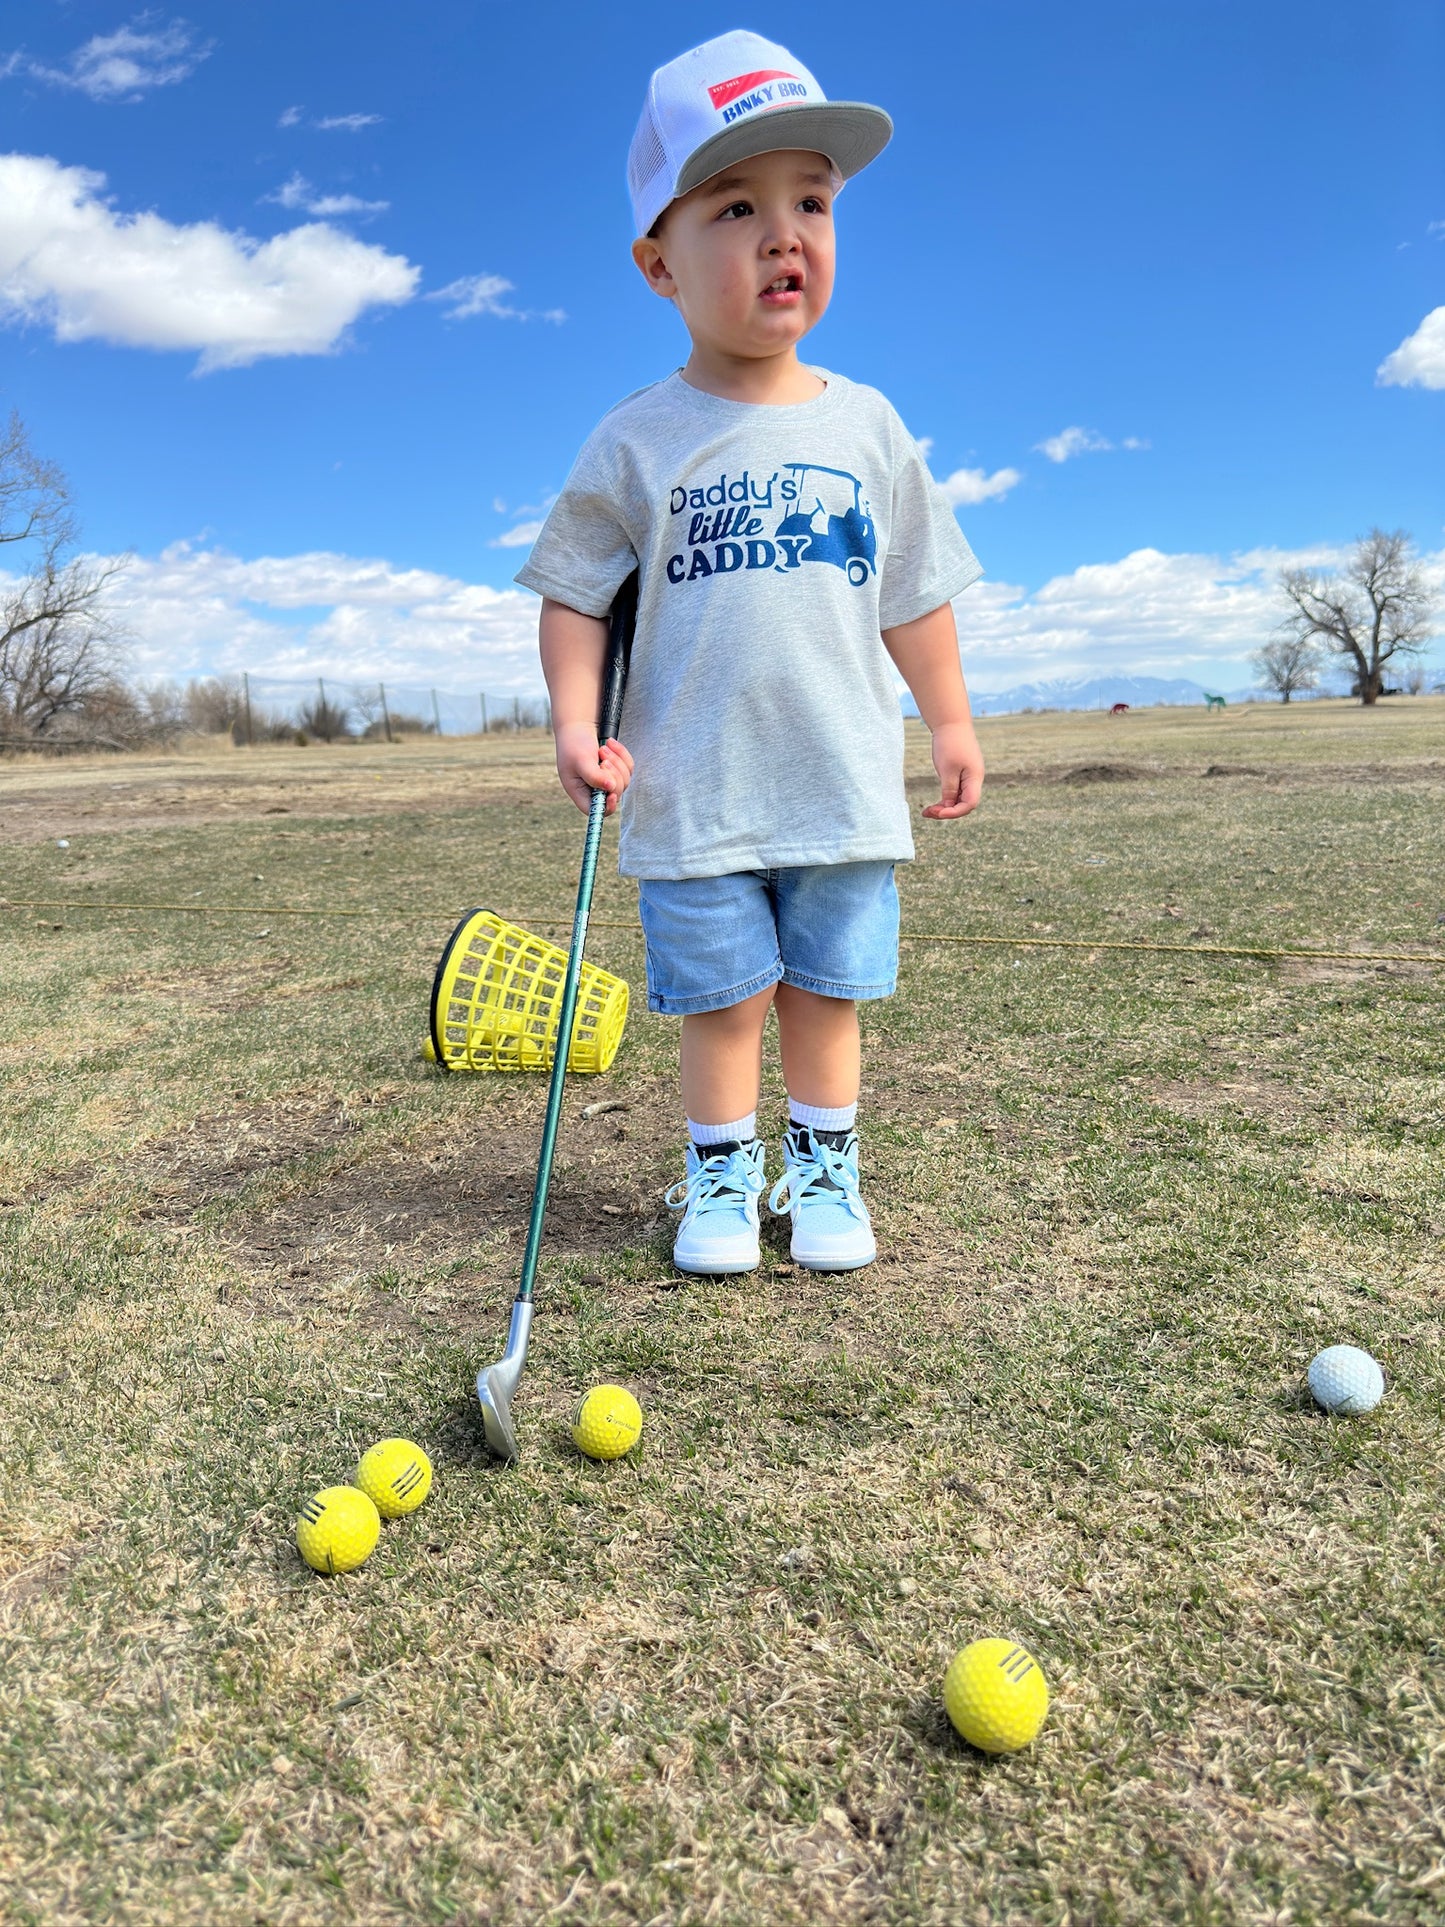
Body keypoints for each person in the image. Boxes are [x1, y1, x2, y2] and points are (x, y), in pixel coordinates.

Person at [517, 29, 985, 1277]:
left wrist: (947, 720)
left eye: (811, 202)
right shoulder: (635, 441)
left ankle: (823, 1174)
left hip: (836, 785)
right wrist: (573, 720)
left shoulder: (866, 425)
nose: (784, 233)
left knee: (824, 995)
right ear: (658, 263)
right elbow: (572, 594)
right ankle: (719, 1182)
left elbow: (913, 589)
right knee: (721, 1004)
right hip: (694, 793)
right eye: (735, 205)